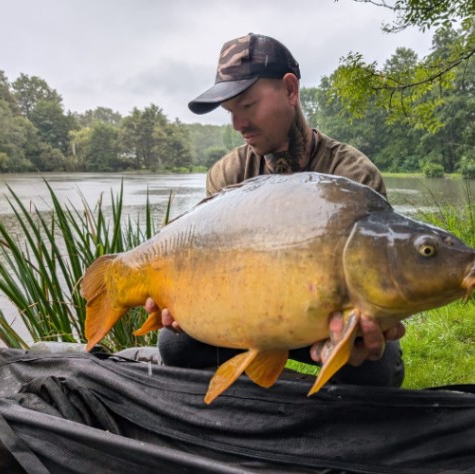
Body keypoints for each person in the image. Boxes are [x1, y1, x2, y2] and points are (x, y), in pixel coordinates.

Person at [147, 33, 405, 388]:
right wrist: (184, 303)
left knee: (378, 363)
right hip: (250, 317)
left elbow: (377, 287)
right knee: (175, 344)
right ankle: (274, 394)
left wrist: (361, 331)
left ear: (290, 89)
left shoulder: (353, 176)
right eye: (231, 112)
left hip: (319, 323)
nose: (238, 125)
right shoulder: (227, 175)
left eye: (248, 105)